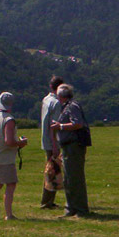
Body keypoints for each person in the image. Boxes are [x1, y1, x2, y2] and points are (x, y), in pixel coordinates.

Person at [0, 92, 28, 220]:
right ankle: (9, 214)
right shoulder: (9, 120)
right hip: (5, 158)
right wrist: (21, 143)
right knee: (11, 184)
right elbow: (9, 141)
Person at [51, 83, 90, 217]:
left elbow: (77, 123)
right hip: (68, 146)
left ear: (61, 96)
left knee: (75, 178)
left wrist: (60, 126)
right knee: (68, 178)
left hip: (74, 145)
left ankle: (80, 209)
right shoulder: (67, 106)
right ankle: (71, 208)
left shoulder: (72, 106)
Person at [39, 76, 65, 209]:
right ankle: (47, 201)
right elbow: (53, 126)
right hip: (52, 141)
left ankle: (48, 200)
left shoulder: (46, 99)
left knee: (50, 169)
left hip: (45, 139)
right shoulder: (56, 103)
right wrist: (55, 145)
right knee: (52, 171)